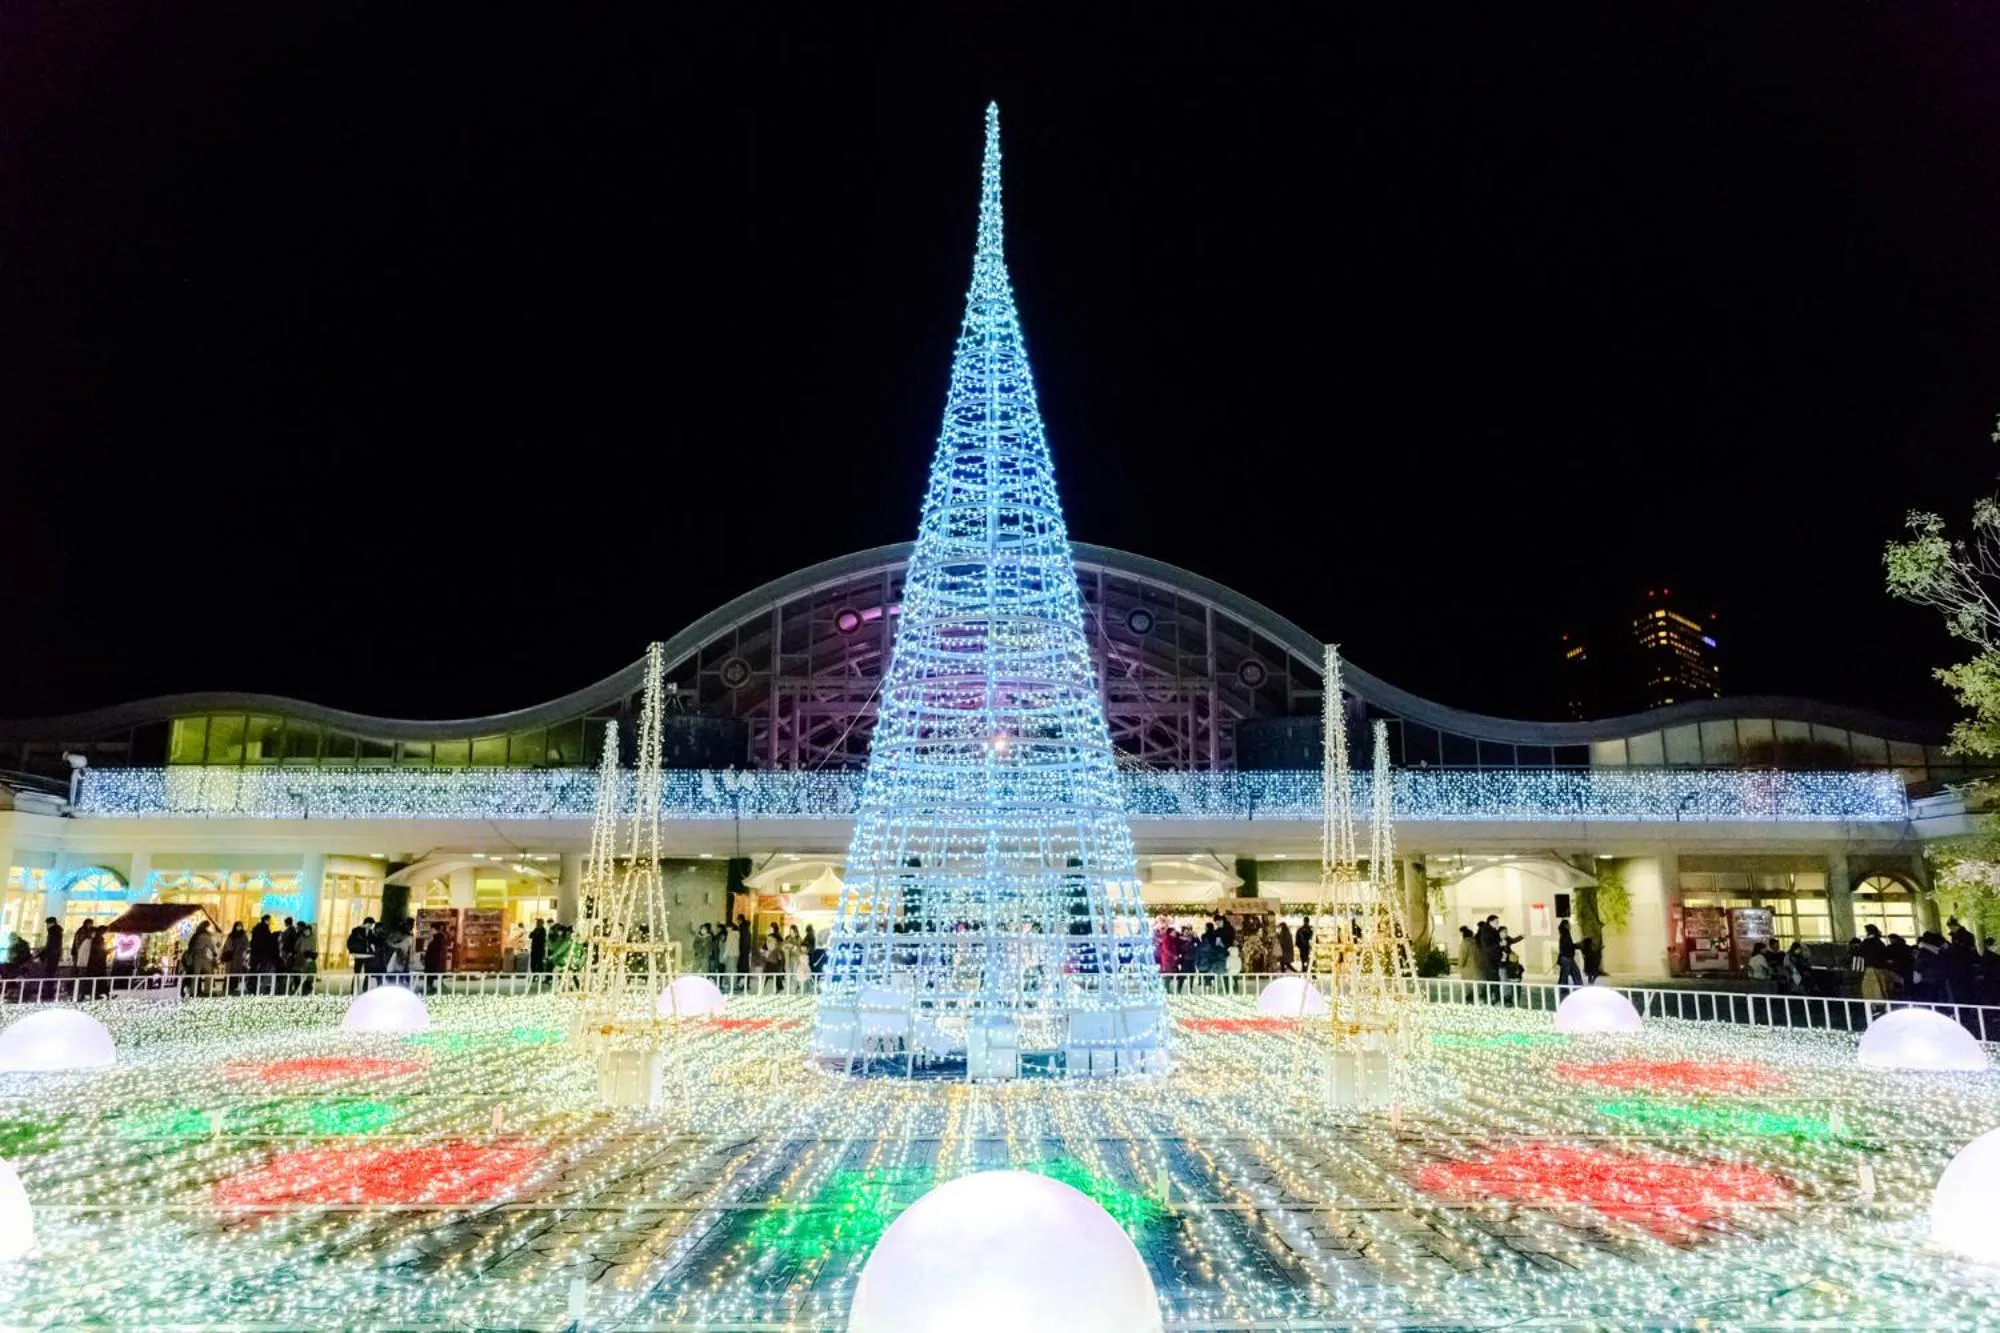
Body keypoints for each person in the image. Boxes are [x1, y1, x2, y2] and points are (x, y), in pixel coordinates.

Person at [1859, 924, 1896, 1001]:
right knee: (1882, 989)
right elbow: (1885, 954)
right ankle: (1883, 1005)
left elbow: (1861, 953)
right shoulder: (1879, 942)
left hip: (1870, 969)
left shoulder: (1865, 943)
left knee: (1871, 990)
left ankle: (1874, 1006)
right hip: (1881, 968)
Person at [183, 920, 217, 997]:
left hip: (195, 958)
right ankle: (207, 991)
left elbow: (191, 947)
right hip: (203, 957)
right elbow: (211, 946)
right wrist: (214, 954)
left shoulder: (196, 935)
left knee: (196, 975)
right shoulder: (206, 936)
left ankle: (193, 991)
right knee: (209, 973)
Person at [423, 923, 451, 994]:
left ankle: (429, 987)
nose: (430, 931)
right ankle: (438, 986)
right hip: (438, 960)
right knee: (437, 974)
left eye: (431, 929)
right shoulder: (442, 937)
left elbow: (431, 949)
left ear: (433, 929)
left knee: (430, 975)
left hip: (433, 960)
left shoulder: (436, 938)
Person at [292, 922, 317, 995]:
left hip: (309, 958)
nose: (306, 932)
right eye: (305, 931)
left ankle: (307, 989)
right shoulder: (301, 938)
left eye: (307, 930)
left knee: (309, 974)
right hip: (300, 958)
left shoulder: (313, 938)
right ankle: (299, 989)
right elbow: (296, 947)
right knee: (298, 974)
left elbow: (313, 948)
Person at [347, 917, 375, 984]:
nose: (371, 926)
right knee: (364, 973)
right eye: (371, 924)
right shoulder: (358, 931)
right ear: (368, 923)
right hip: (365, 954)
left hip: (361, 955)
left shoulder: (357, 931)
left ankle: (355, 989)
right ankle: (363, 989)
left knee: (358, 973)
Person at [1556, 919, 1582, 989]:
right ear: (1565, 925)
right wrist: (1577, 945)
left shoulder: (1566, 934)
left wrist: (1576, 945)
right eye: (1568, 925)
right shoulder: (1565, 935)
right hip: (1566, 959)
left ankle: (1579, 988)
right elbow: (1567, 946)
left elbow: (1569, 946)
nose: (1570, 926)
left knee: (1576, 973)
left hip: (1569, 959)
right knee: (1565, 977)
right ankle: (1563, 990)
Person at [529, 918, 549, 988]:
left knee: (540, 963)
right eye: (537, 922)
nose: (537, 923)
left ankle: (540, 976)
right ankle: (534, 976)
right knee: (533, 964)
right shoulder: (536, 929)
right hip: (534, 950)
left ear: (541, 923)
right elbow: (530, 936)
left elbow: (540, 938)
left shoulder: (543, 930)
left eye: (538, 922)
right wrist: (535, 933)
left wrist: (535, 935)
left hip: (540, 950)